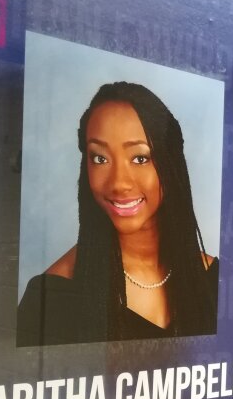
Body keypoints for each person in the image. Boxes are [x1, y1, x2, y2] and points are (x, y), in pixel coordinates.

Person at [17, 82, 218, 346]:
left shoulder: (213, 277)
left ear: (171, 163)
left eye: (140, 158)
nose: (119, 183)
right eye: (100, 159)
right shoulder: (52, 298)